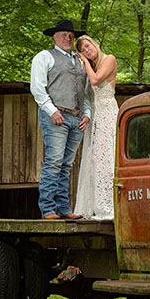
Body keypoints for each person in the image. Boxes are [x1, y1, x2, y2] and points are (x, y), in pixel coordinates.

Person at [30, 19, 92, 220]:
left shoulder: (82, 61)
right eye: (64, 34)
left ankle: (63, 209)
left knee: (66, 165)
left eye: (71, 35)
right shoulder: (44, 57)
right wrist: (51, 110)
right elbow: (37, 88)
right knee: (54, 161)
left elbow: (87, 91)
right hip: (56, 115)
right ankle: (48, 209)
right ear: (55, 36)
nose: (68, 37)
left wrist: (87, 113)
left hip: (77, 118)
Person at [73, 35, 118, 220]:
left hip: (108, 112)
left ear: (94, 44)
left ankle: (107, 206)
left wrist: (84, 61)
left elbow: (95, 81)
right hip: (96, 116)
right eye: (82, 50)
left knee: (107, 157)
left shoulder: (109, 59)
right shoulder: (92, 67)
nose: (86, 50)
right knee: (94, 158)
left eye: (87, 46)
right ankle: (90, 205)